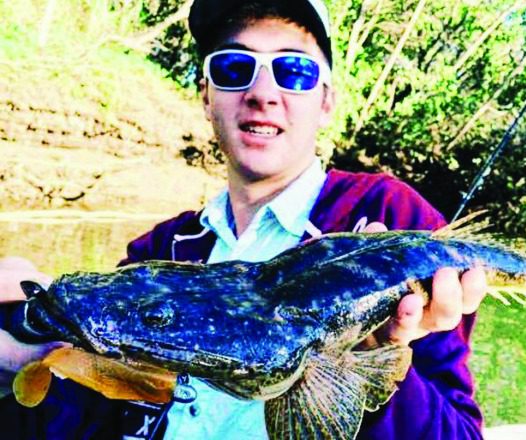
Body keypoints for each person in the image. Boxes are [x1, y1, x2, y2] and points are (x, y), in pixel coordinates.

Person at [0, 1, 487, 438]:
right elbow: (102, 414)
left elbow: (459, 434)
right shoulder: (161, 249)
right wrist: (29, 359)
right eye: (234, 68)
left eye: (293, 72)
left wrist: (368, 367)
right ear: (206, 95)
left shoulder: (389, 217)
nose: (262, 92)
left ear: (326, 100)